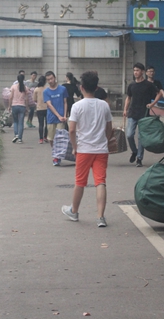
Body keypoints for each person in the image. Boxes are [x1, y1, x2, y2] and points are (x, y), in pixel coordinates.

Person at [62, 71, 113, 227]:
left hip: (84, 149)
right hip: (101, 149)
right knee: (100, 182)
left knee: (80, 182)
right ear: (97, 87)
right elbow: (109, 128)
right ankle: (100, 217)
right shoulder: (104, 105)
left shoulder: (77, 106)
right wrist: (105, 140)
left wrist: (75, 147)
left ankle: (74, 211)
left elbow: (71, 130)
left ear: (81, 87)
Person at [123, 63, 158, 167]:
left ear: (142, 72)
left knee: (141, 137)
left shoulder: (148, 85)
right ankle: (134, 151)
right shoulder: (132, 85)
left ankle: (139, 158)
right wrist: (125, 109)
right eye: (134, 70)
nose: (135, 72)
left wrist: (152, 104)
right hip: (132, 113)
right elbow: (128, 97)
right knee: (129, 135)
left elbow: (159, 94)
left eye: (137, 70)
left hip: (144, 114)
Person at [43, 71, 69, 165]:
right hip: (51, 118)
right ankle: (56, 152)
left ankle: (57, 157)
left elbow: (65, 102)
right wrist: (58, 116)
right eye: (48, 79)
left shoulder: (63, 89)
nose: (50, 81)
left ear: (55, 78)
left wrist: (64, 115)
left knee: (60, 138)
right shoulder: (46, 91)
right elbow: (49, 105)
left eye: (51, 78)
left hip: (61, 118)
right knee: (51, 138)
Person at [8, 74, 29, 144]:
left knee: (15, 121)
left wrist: (9, 106)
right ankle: (20, 138)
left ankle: (16, 135)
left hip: (14, 106)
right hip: (22, 106)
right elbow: (26, 99)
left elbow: (10, 97)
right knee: (21, 122)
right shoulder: (25, 88)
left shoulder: (13, 87)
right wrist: (27, 107)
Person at [33, 75, 48, 144]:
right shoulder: (47, 89)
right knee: (47, 124)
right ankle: (45, 137)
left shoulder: (36, 89)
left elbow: (34, 99)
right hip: (47, 108)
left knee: (41, 124)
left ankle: (41, 139)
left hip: (39, 108)